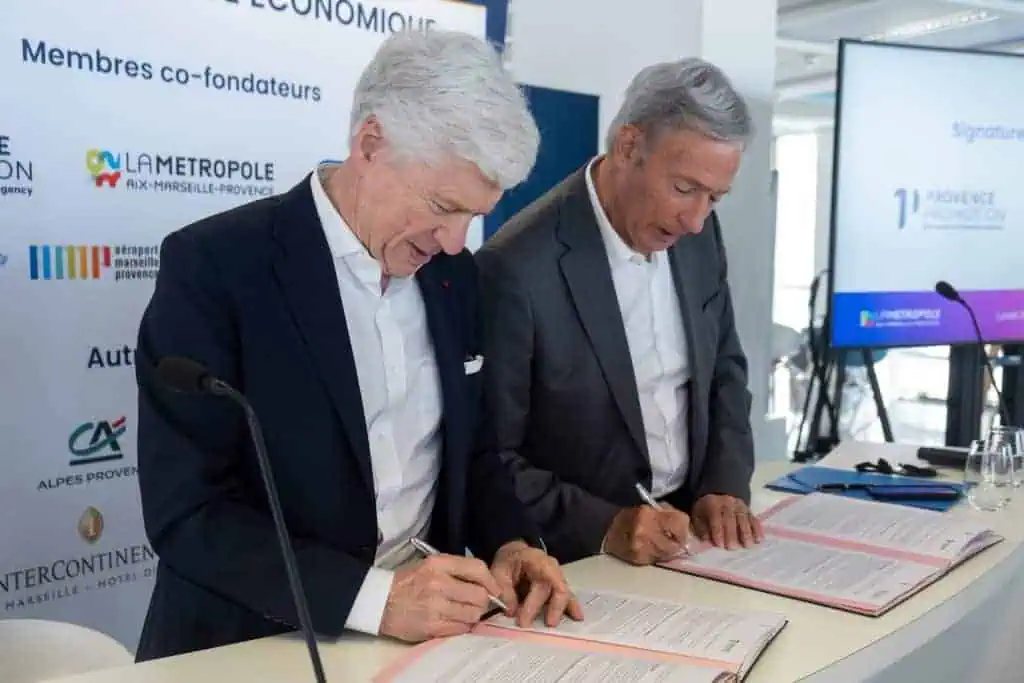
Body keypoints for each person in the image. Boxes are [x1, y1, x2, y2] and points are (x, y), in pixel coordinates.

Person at [134, 29, 581, 662]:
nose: (454, 241)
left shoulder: (455, 277)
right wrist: (377, 601)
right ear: (371, 144)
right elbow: (189, 512)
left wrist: (512, 542)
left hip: (424, 645)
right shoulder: (215, 266)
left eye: (473, 217)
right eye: (442, 206)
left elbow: (472, 450)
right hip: (254, 644)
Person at [475, 58, 764, 566]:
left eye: (714, 198)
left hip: (693, 537)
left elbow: (724, 367)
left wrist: (723, 482)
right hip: (584, 557)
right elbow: (491, 459)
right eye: (684, 189)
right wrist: (607, 527)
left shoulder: (699, 237)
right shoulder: (515, 267)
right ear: (629, 146)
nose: (696, 221)